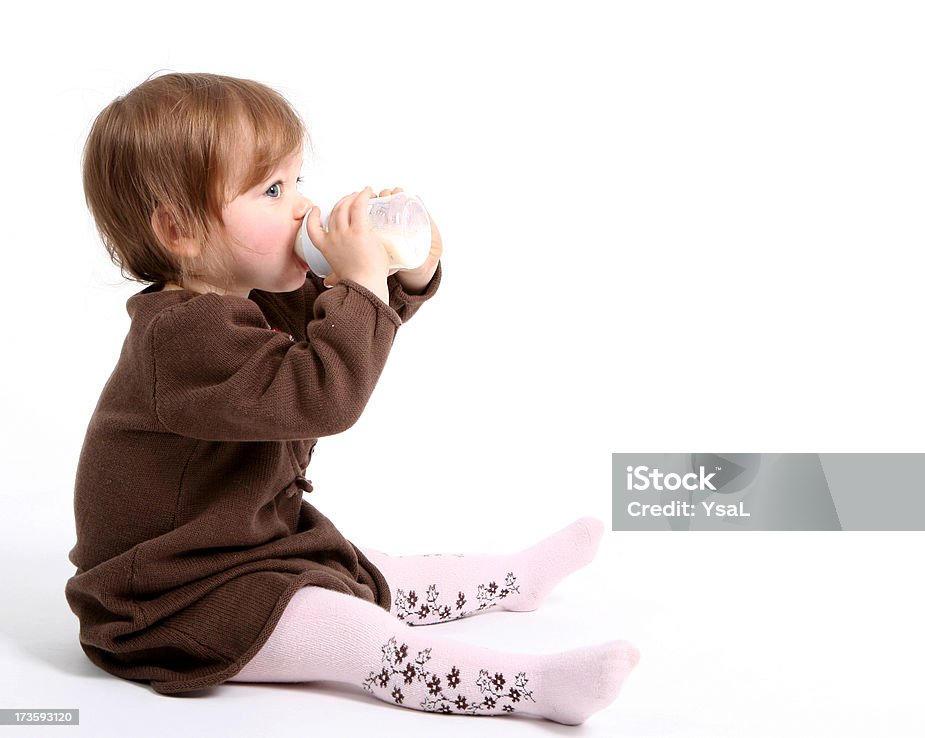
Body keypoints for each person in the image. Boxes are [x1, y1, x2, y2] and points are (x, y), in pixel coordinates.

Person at [65, 71, 639, 725]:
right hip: (171, 599)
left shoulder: (246, 300)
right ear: (180, 232)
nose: (304, 208)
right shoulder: (184, 335)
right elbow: (324, 395)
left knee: (371, 571)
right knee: (356, 633)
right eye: (274, 190)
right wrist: (361, 280)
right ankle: (532, 688)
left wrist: (402, 268)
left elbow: (342, 330)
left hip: (249, 553)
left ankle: (513, 580)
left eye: (299, 181)